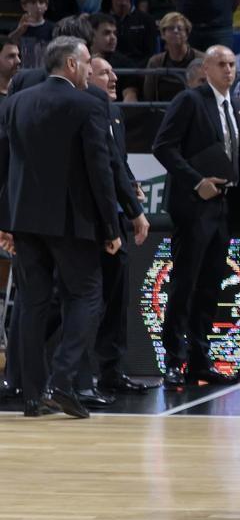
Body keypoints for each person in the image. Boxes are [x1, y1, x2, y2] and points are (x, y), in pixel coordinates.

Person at [0, 37, 121, 419]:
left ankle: (33, 397)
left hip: (24, 221)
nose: (89, 70)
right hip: (72, 221)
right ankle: (63, 381)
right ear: (70, 64)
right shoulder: (87, 104)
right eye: (86, 64)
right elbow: (100, 171)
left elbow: (5, 167)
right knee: (87, 296)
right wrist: (111, 225)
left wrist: (5, 222)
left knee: (32, 306)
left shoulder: (15, 102)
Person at [151, 45, 240, 387]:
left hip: (224, 209)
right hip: (194, 208)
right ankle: (172, 362)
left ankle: (200, 360)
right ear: (206, 68)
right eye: (221, 64)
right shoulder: (190, 101)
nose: (229, 70)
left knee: (211, 286)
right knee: (183, 285)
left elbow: (236, 164)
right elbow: (163, 147)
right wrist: (197, 183)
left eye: (231, 64)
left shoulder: (235, 108)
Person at [86, 56, 154, 395]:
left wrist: (131, 186)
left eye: (113, 71)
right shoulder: (86, 111)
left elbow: (118, 162)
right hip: (91, 220)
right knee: (81, 300)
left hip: (116, 217)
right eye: (104, 73)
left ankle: (112, 371)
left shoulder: (114, 112)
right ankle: (79, 374)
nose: (113, 77)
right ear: (86, 76)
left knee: (117, 298)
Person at [145, 12, 204, 101]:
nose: (175, 31)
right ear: (163, 34)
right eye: (171, 28)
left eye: (180, 28)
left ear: (187, 34)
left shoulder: (202, 59)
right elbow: (149, 96)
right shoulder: (155, 62)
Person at [11, 0, 54, 71]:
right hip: (25, 71)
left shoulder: (52, 27)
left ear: (46, 6)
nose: (37, 6)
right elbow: (10, 44)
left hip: (45, 71)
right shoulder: (19, 28)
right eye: (33, 3)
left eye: (41, 2)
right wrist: (19, 31)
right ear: (24, 6)